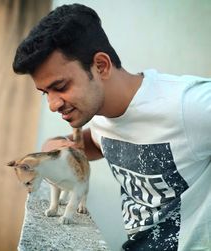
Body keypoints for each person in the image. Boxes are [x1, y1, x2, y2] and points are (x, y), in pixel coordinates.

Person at [12, 3, 211, 251]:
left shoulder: (189, 105)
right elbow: (94, 144)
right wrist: (53, 146)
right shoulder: (99, 116)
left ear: (101, 66)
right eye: (45, 93)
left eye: (61, 86)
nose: (53, 105)